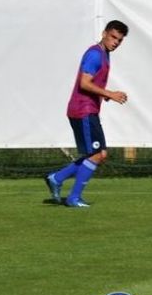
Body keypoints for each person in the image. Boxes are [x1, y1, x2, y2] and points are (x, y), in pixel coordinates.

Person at [44, 20, 129, 207]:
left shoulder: (104, 53)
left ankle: (57, 178)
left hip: (87, 109)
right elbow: (84, 83)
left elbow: (92, 84)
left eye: (119, 40)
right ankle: (73, 197)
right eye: (113, 37)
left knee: (97, 154)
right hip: (83, 109)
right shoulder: (95, 54)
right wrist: (110, 94)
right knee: (98, 154)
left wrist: (104, 96)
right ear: (104, 33)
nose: (115, 42)